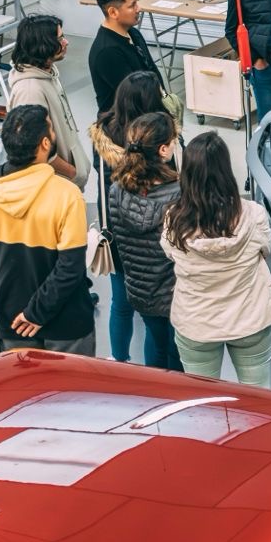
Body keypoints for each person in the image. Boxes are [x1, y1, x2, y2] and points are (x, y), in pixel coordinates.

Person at [0, 105, 96, 356]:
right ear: (43, 143)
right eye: (51, 128)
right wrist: (36, 313)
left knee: (28, 395)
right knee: (72, 395)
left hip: (13, 323)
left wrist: (27, 314)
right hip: (66, 325)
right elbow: (70, 268)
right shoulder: (66, 195)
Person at [162, 131, 271, 384]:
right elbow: (265, 250)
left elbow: (170, 254)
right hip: (250, 317)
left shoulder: (174, 219)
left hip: (197, 321)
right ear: (226, 169)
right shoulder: (254, 214)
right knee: (258, 398)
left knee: (203, 402)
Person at [89, 71, 175, 363]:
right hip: (157, 242)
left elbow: (102, 184)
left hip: (116, 229)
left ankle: (119, 360)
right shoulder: (158, 138)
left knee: (120, 303)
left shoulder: (103, 135)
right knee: (158, 318)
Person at [105, 112, 182, 370]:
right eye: (174, 141)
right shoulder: (178, 194)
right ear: (163, 149)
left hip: (140, 290)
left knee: (157, 345)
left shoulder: (116, 190)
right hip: (175, 293)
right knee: (178, 354)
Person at [6, 13, 88, 190]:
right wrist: (71, 173)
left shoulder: (47, 72)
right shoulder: (29, 91)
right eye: (60, 39)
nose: (66, 43)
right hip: (56, 186)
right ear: (43, 45)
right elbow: (33, 149)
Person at [88, 0, 161, 116]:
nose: (138, 9)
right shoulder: (107, 52)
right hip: (126, 126)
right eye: (132, 5)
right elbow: (134, 97)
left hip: (149, 116)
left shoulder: (133, 33)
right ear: (113, 12)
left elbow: (152, 71)